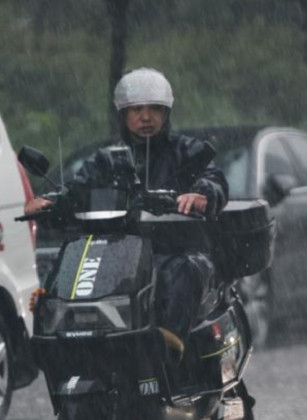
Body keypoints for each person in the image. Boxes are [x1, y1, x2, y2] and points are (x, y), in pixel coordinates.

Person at [30, 67, 229, 347]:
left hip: (172, 250)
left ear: (166, 113)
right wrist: (51, 203)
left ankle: (168, 348)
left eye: (154, 109)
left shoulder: (186, 152)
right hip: (118, 255)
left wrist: (202, 194)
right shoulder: (107, 160)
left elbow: (214, 178)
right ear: (123, 115)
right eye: (136, 109)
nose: (145, 117)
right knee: (66, 277)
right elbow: (76, 188)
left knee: (184, 270)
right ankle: (68, 346)